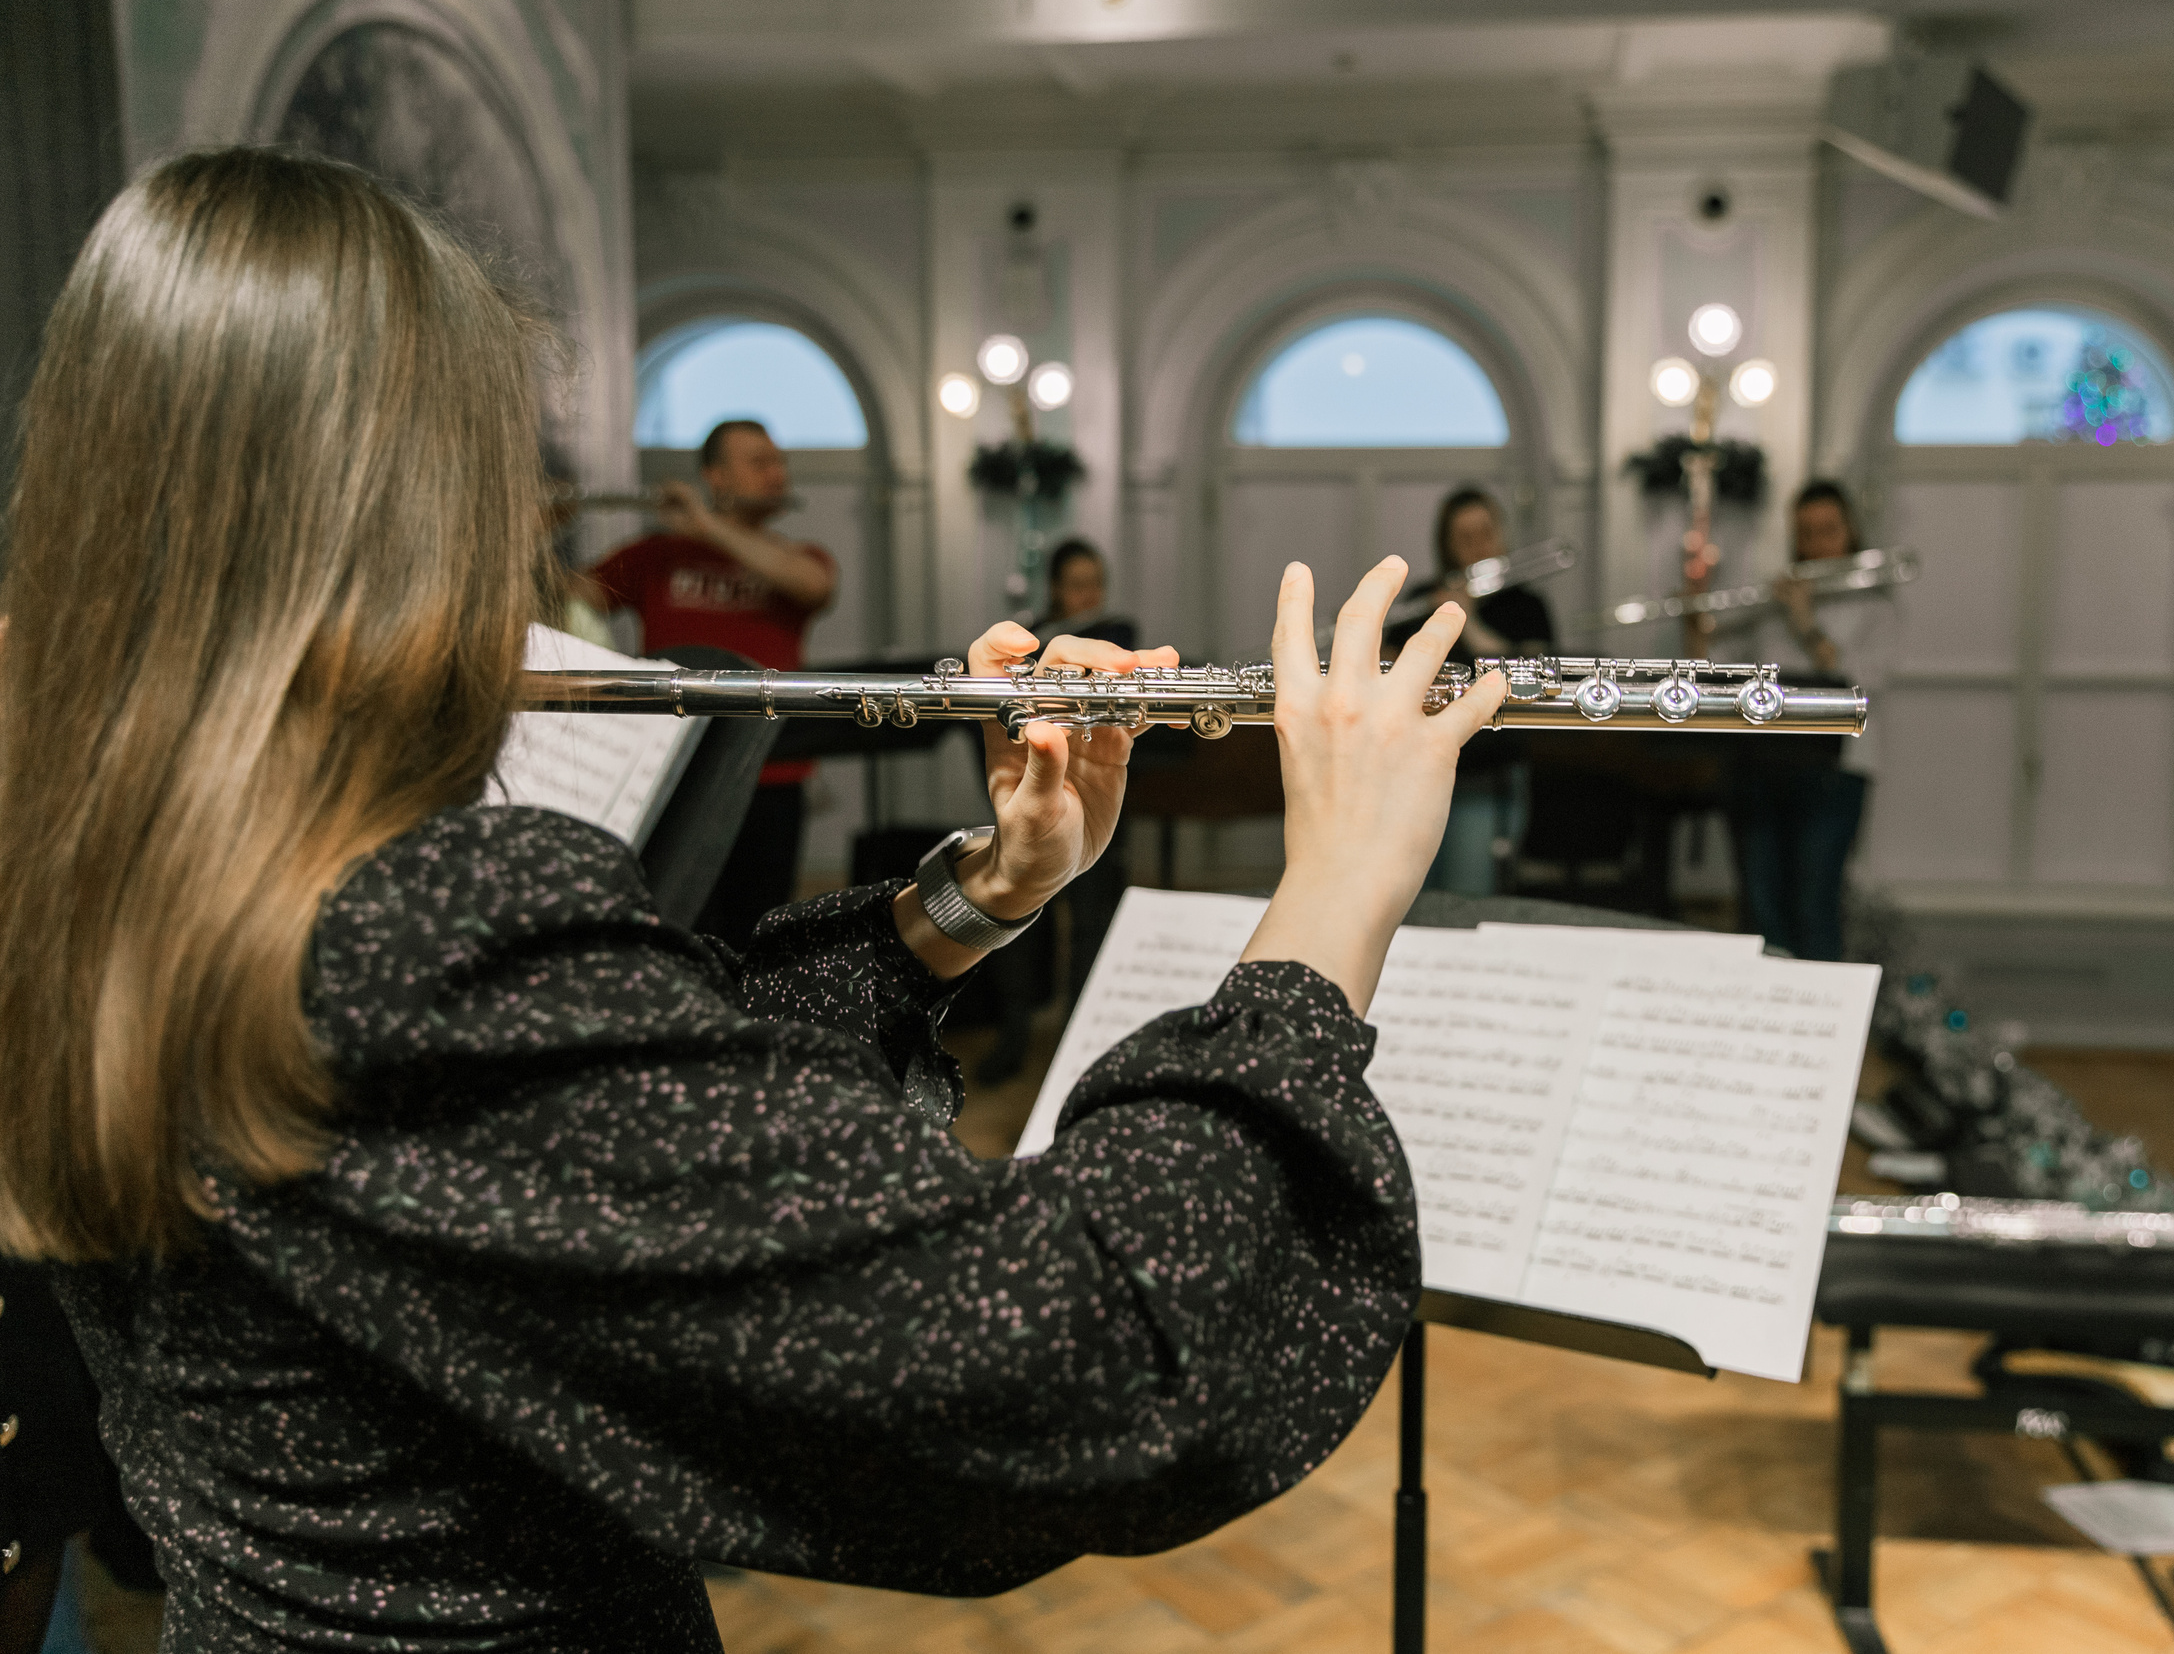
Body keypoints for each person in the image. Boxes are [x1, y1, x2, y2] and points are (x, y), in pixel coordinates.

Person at [0, 148, 1505, 1654]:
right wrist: (1335, 889)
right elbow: (1079, 1364)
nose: (522, 552)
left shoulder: (94, 857)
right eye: (495, 493)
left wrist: (979, 895)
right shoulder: (411, 928)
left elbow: (612, 1124)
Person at [590, 418, 838, 947]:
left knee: (759, 928)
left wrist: (710, 527)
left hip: (770, 771)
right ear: (716, 476)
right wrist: (538, 526)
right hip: (673, 765)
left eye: (780, 462)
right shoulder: (657, 555)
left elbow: (813, 586)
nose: (778, 473)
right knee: (677, 922)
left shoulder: (801, 556)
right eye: (759, 462)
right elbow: (564, 599)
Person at [978, 539, 1141, 1081]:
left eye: (1096, 582)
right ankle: (1015, 1034)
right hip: (1036, 790)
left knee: (1094, 920)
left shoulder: (1118, 635)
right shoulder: (1030, 641)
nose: (1089, 594)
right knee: (1017, 920)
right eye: (1077, 583)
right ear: (1055, 588)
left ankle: (1084, 1041)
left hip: (1097, 797)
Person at [1721, 480, 1899, 961]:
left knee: (1815, 905)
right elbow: (1734, 674)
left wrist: (1806, 623)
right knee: (1762, 914)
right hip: (1766, 767)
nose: (1819, 544)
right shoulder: (1774, 601)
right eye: (1807, 533)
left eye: (1829, 530)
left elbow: (1861, 684)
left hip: (1837, 774)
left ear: (1850, 531)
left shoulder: (1875, 605)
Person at [1386, 486, 1552, 897]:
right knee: (1410, 896)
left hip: (1486, 775)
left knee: (1466, 895)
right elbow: (1390, 671)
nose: (1478, 547)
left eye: (1486, 533)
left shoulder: (1527, 605)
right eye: (1465, 538)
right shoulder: (1422, 599)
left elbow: (1530, 678)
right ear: (1447, 547)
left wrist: (1466, 621)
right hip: (1413, 773)